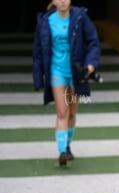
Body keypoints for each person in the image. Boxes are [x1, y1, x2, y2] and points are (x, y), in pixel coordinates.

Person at [32, 0, 100, 166]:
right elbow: (38, 52)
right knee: (62, 112)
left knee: (72, 112)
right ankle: (62, 151)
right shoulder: (45, 21)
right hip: (57, 72)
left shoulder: (80, 17)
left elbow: (93, 42)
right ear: (54, 1)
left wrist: (90, 64)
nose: (62, 1)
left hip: (76, 73)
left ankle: (67, 146)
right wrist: (37, 77)